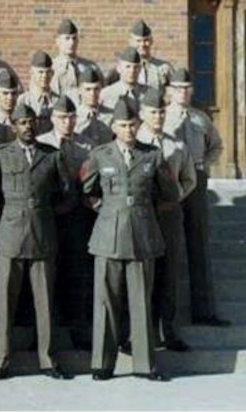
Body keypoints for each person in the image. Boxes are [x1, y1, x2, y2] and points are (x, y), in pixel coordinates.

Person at [82, 99, 178, 382]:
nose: (128, 130)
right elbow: (87, 190)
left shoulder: (152, 155)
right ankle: (101, 364)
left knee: (141, 301)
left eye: (132, 125)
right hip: (108, 236)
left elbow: (168, 192)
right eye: (123, 125)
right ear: (113, 127)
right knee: (106, 302)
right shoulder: (100, 155)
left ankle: (145, 365)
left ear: (139, 125)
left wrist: (143, 211)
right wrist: (107, 209)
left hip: (142, 236)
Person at [0, 104, 74, 379]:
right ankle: (1, 359)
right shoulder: (3, 154)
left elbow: (68, 193)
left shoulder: (52, 155)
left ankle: (47, 359)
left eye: (31, 121)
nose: (28, 126)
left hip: (43, 233)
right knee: (5, 302)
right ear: (13, 126)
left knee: (44, 301)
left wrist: (48, 212)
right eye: (22, 122)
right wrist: (7, 212)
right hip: (10, 234)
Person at [164, 68, 228, 327]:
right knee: (169, 246)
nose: (182, 93)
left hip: (197, 183)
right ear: (170, 91)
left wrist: (203, 166)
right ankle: (169, 315)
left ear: (191, 91)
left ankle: (203, 310)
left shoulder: (201, 119)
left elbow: (217, 146)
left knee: (198, 243)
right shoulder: (162, 118)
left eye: (186, 88)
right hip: (171, 181)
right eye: (177, 88)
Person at [137, 89, 196, 351]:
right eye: (152, 112)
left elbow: (189, 179)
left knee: (169, 273)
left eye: (161, 112)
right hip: (141, 215)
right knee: (142, 274)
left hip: (169, 215)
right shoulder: (133, 141)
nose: (158, 117)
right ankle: (141, 333)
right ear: (142, 114)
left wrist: (174, 198)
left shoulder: (177, 146)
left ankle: (169, 331)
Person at [38, 96, 96, 350]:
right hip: (48, 215)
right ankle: (42, 333)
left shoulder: (87, 146)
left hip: (77, 215)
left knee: (77, 274)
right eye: (62, 117)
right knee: (45, 273)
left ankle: (78, 329)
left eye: (72, 117)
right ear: (53, 119)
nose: (67, 122)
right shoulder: (41, 145)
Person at [50, 18, 103, 100]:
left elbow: (101, 93)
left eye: (74, 38)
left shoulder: (91, 67)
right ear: (58, 41)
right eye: (67, 38)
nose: (71, 42)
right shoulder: (51, 68)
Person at [17, 51, 58, 135]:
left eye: (48, 72)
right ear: (32, 73)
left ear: (52, 73)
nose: (44, 76)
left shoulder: (58, 100)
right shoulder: (24, 100)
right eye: (40, 72)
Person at [128, 20, 173, 92]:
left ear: (151, 41)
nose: (142, 44)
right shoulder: (123, 68)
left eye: (146, 40)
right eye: (138, 41)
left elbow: (175, 92)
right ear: (131, 42)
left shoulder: (164, 68)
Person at [100, 47, 148, 112]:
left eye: (136, 67)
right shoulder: (106, 94)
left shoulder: (148, 93)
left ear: (140, 69)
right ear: (119, 68)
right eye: (128, 67)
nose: (132, 71)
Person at [74, 67, 114, 145]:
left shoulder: (111, 115)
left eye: (96, 89)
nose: (92, 94)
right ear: (79, 90)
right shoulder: (73, 117)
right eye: (88, 89)